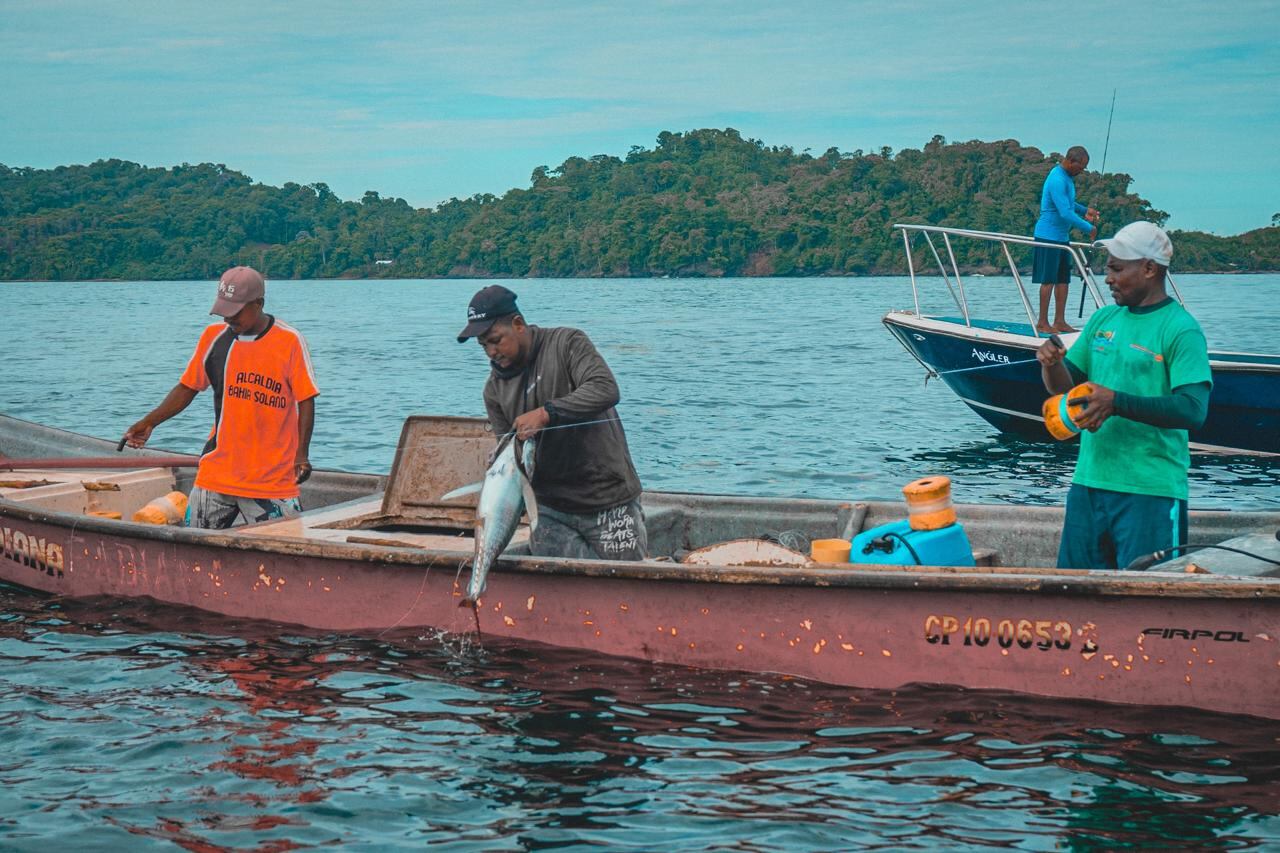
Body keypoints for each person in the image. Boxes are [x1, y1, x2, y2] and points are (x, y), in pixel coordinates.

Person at [1036, 222, 1212, 571]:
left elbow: (1193, 411)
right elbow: (1063, 388)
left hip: (1151, 491)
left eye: (1117, 269)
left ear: (1149, 268)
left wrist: (1116, 402)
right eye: (1107, 269)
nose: (1108, 278)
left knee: (1149, 603)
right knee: (1074, 595)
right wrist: (1050, 363)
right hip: (1088, 484)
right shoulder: (1103, 319)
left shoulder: (1180, 328)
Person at [457, 285, 647, 561]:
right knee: (564, 596)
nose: (491, 352)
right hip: (550, 513)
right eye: (483, 345)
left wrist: (546, 413)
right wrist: (501, 463)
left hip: (609, 501)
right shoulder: (494, 391)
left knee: (624, 592)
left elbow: (606, 389)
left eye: (496, 340)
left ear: (518, 324)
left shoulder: (567, 343)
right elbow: (513, 457)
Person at [123, 266, 320, 529]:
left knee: (288, 551)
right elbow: (187, 388)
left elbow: (306, 400)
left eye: (235, 312)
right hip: (217, 473)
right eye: (224, 312)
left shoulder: (289, 341)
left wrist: (301, 456)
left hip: (271, 478)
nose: (228, 320)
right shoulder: (213, 338)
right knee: (192, 546)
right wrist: (150, 422)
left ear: (258, 304)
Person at [1033, 146, 1100, 334]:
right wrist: (1089, 228)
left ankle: (1059, 320)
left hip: (1062, 237)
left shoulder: (1067, 179)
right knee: (1048, 280)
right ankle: (1042, 322)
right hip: (1047, 236)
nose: (1082, 171)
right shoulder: (1056, 179)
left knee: (1063, 279)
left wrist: (1085, 210)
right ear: (1071, 161)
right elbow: (1064, 212)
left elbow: (1070, 204)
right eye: (1081, 167)